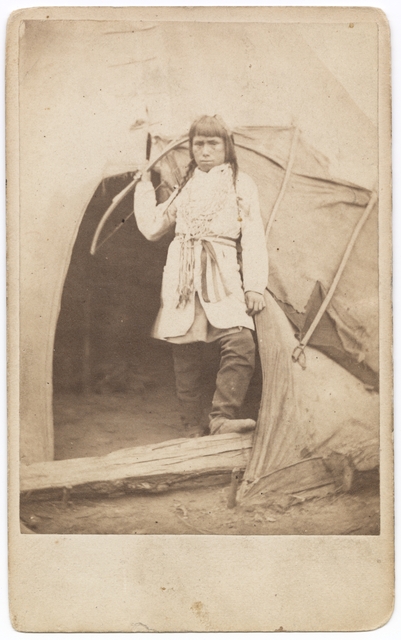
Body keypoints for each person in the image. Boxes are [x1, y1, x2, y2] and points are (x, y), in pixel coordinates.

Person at [134, 115, 268, 436]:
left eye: (212, 143)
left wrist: (254, 287)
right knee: (186, 354)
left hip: (221, 275)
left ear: (226, 147)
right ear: (191, 148)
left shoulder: (240, 184)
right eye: (198, 144)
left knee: (240, 342)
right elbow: (153, 227)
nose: (205, 151)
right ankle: (193, 427)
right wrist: (143, 185)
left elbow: (252, 237)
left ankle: (221, 417)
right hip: (183, 276)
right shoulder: (185, 187)